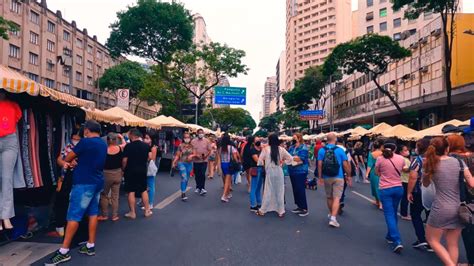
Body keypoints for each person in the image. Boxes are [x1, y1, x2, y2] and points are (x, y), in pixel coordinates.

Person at [48, 120, 107, 264]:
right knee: (92, 213)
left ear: (87, 130)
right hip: (97, 181)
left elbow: (67, 158)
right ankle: (90, 245)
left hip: (83, 182)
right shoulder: (103, 144)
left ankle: (64, 251)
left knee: (74, 215)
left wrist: (71, 161)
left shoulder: (85, 142)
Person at [423, 137, 474, 266]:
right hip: (458, 207)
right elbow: (472, 183)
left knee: (432, 239)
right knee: (453, 243)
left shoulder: (430, 163)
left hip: (440, 207)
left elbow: (425, 183)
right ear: (447, 148)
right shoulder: (459, 163)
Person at [447, 135, 474, 265]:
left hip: (463, 197)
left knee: (467, 230)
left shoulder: (453, 159)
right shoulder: (470, 156)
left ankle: (471, 261)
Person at [375, 140, 406, 254]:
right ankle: (390, 235)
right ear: (395, 149)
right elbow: (403, 170)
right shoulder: (401, 158)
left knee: (389, 214)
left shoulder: (380, 159)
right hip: (398, 188)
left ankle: (396, 240)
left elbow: (377, 172)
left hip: (385, 189)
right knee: (393, 213)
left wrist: (383, 174)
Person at [50, 130, 81, 237]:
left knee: (67, 202)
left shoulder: (79, 147)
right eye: (74, 138)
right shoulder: (68, 146)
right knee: (64, 201)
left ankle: (66, 228)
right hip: (68, 178)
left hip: (74, 178)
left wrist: (67, 163)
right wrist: (66, 163)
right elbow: (60, 159)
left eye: (77, 138)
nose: (75, 140)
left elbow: (60, 159)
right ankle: (63, 228)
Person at [317, 132, 350, 228]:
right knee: (337, 198)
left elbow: (319, 164)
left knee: (329, 197)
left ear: (327, 140)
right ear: (335, 140)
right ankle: (333, 218)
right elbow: (345, 164)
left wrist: (320, 177)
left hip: (327, 176)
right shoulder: (340, 150)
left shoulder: (322, 150)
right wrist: (348, 175)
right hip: (338, 176)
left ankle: (332, 213)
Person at [256, 134, 293, 217]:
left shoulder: (265, 149)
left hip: (269, 171)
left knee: (268, 190)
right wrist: (283, 163)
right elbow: (290, 158)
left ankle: (263, 210)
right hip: (279, 171)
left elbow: (259, 161)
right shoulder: (281, 149)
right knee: (280, 190)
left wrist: (265, 164)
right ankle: (281, 211)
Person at [407, 138, 433, 252]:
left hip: (419, 192)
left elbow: (413, 177)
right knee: (430, 217)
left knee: (415, 214)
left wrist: (409, 192)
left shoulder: (417, 160)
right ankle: (432, 242)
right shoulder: (437, 159)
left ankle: (422, 238)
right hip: (435, 193)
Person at [122, 129, 152, 219]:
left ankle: (132, 212)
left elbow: (124, 160)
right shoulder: (146, 146)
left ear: (132, 136)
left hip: (130, 170)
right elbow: (150, 157)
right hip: (142, 170)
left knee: (131, 190)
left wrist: (123, 168)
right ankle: (147, 211)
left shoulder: (128, 146)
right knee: (143, 190)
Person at [98, 133, 124, 222]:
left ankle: (105, 215)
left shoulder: (104, 150)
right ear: (116, 140)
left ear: (108, 140)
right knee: (115, 196)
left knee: (104, 195)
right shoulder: (120, 148)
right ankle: (114, 216)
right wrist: (122, 137)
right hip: (118, 173)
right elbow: (125, 144)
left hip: (106, 174)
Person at [288, 133, 310, 217]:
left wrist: (291, 157)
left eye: (294, 138)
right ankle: (299, 206)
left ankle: (304, 208)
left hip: (300, 171)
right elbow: (288, 155)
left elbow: (301, 158)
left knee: (300, 189)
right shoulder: (292, 147)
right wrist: (292, 157)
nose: (293, 139)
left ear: (299, 138)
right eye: (292, 137)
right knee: (295, 189)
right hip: (292, 170)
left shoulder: (303, 147)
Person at [217, 134, 240, 203]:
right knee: (228, 180)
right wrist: (238, 162)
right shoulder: (231, 148)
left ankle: (228, 193)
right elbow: (235, 158)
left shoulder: (220, 148)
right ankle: (224, 196)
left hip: (222, 164)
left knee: (225, 179)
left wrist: (218, 167)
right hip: (229, 165)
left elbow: (218, 158)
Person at [172, 132, 195, 201]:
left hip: (189, 164)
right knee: (184, 177)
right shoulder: (180, 146)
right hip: (181, 163)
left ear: (190, 138)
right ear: (183, 138)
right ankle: (183, 193)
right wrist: (174, 162)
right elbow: (177, 155)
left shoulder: (192, 146)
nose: (187, 139)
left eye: (188, 137)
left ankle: (184, 189)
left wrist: (192, 155)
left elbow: (195, 154)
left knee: (186, 179)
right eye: (185, 137)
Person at [191, 129, 212, 195]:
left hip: (204, 160)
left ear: (203, 134)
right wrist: (195, 155)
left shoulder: (207, 141)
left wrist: (206, 156)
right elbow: (191, 150)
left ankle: (202, 188)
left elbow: (209, 150)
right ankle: (198, 187)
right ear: (197, 133)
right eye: (199, 133)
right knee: (197, 174)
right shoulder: (193, 141)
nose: (201, 134)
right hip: (196, 160)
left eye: (202, 133)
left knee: (202, 174)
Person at [366, 140, 383, 209]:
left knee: (375, 187)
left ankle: (378, 202)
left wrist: (367, 173)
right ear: (381, 146)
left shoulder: (371, 154)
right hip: (382, 171)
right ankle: (380, 202)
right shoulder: (384, 153)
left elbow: (370, 164)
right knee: (381, 187)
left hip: (374, 172)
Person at [143, 133, 158, 209]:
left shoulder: (153, 148)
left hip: (149, 168)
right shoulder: (145, 146)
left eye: (147, 138)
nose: (145, 139)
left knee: (151, 185)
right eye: (145, 138)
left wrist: (147, 157)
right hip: (144, 167)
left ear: (151, 139)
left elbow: (153, 158)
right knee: (145, 186)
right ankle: (145, 202)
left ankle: (150, 203)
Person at [398, 145, 411, 221]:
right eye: (405, 150)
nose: (407, 151)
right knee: (405, 198)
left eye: (407, 150)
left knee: (404, 197)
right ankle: (404, 214)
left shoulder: (405, 159)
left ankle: (404, 212)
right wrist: (413, 168)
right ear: (400, 152)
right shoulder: (403, 159)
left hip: (404, 179)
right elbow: (405, 169)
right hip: (405, 180)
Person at [249, 138, 263, 211]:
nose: (258, 141)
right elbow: (257, 160)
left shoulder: (261, 149)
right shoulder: (253, 150)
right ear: (253, 142)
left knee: (258, 188)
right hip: (255, 169)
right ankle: (253, 205)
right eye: (257, 140)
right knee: (254, 187)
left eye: (259, 140)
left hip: (261, 169)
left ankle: (259, 203)